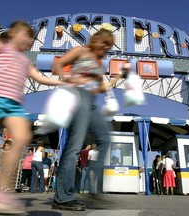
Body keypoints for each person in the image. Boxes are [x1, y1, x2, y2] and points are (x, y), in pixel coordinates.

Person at [0, 20, 64, 215]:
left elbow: (38, 77)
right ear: (13, 33)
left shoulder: (24, 60)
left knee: (22, 137)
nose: (30, 41)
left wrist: (61, 81)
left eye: (32, 40)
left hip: (13, 105)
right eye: (27, 36)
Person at [52, 24, 130, 211]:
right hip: (77, 97)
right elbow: (58, 64)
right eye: (105, 44)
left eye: (109, 46)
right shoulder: (81, 51)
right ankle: (63, 197)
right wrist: (66, 77)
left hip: (92, 102)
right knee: (74, 147)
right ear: (95, 39)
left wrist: (119, 76)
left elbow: (99, 88)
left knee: (105, 139)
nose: (107, 48)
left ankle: (95, 189)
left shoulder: (98, 63)